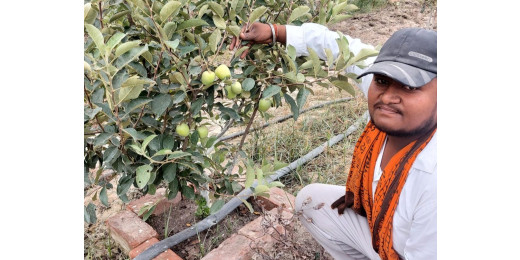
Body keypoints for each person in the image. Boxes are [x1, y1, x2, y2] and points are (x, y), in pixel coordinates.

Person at [231, 22, 437, 260]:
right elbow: (339, 47)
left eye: (410, 86)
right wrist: (275, 32)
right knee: (311, 201)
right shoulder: (393, 103)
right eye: (381, 80)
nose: (388, 96)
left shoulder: (434, 177)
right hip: (386, 234)